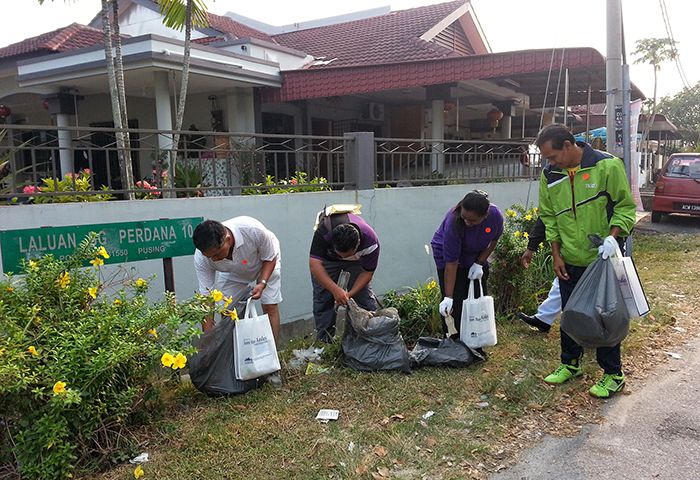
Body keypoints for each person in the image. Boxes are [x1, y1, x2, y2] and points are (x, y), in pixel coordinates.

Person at [536, 123, 636, 398]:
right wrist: (556, 255)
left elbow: (625, 207)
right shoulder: (550, 175)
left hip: (601, 258)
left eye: (553, 156)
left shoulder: (607, 166)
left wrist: (613, 238)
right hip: (569, 258)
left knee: (605, 315)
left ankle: (613, 374)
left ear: (568, 145)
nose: (550, 162)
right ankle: (570, 364)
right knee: (571, 314)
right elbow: (550, 217)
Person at [193, 218, 283, 384]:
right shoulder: (203, 257)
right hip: (233, 273)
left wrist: (262, 283)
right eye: (209, 257)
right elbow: (207, 300)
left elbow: (270, 257)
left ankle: (272, 362)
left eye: (217, 254)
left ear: (227, 239)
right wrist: (208, 343)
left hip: (264, 263)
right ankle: (237, 361)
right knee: (227, 311)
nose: (214, 260)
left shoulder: (253, 230)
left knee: (269, 305)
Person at [431, 190, 504, 338]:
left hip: (476, 253)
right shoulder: (454, 221)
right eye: (465, 218)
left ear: (485, 216)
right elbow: (451, 263)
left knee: (477, 296)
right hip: (448, 257)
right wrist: (448, 297)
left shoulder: (495, 216)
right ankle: (454, 339)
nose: (467, 222)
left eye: (472, 221)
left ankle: (477, 337)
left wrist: (479, 262)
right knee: (456, 300)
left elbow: (494, 239)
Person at [309, 207, 380, 342]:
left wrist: (349, 294)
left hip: (356, 262)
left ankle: (370, 338)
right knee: (323, 297)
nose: (341, 257)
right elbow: (314, 265)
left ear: (357, 245)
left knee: (364, 298)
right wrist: (335, 290)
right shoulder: (324, 231)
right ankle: (325, 341)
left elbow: (368, 272)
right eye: (339, 253)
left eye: (345, 255)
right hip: (327, 261)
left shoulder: (370, 241)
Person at [516, 217, 561, 333]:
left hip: (600, 244)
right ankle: (544, 319)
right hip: (572, 247)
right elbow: (546, 216)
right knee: (563, 279)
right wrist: (531, 247)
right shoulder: (555, 199)